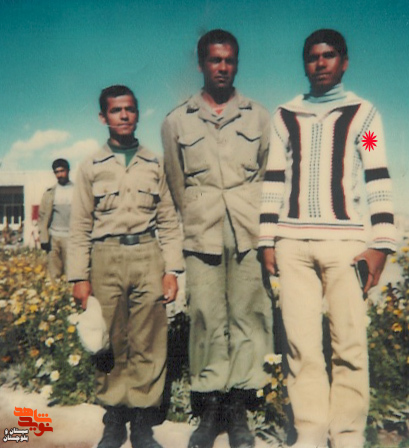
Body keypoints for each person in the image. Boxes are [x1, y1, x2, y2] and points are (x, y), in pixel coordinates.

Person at [259, 29, 397, 448]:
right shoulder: (285, 116)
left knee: (349, 344)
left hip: (346, 248)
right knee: (301, 346)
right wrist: (267, 240)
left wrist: (381, 245)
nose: (320, 63)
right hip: (293, 246)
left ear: (344, 62)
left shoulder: (363, 116)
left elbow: (376, 175)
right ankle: (311, 431)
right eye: (312, 57)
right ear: (304, 64)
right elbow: (274, 178)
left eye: (329, 55)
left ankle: (348, 433)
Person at [162, 29, 273, 448]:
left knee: (249, 316)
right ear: (201, 64)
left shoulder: (259, 117)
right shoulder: (176, 121)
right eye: (214, 60)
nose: (222, 67)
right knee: (206, 317)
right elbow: (176, 183)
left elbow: (268, 176)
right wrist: (196, 213)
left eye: (229, 60)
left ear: (236, 64)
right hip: (202, 231)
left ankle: (239, 408)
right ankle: (209, 407)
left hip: (248, 228)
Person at [68, 85, 184, 448]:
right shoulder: (90, 166)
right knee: (110, 340)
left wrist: (171, 269)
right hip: (105, 258)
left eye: (129, 109)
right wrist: (78, 276)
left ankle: (143, 424)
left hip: (147, 254)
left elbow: (168, 220)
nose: (123, 115)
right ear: (103, 117)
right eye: (116, 110)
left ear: (137, 114)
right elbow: (79, 226)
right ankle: (115, 420)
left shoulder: (154, 164)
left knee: (149, 340)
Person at [38, 158, 74, 280]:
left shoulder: (77, 191)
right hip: (53, 239)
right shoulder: (50, 193)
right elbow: (42, 216)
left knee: (72, 274)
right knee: (54, 275)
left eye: (62, 171)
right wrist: (43, 238)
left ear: (68, 170)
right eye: (57, 172)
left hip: (71, 238)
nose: (59, 175)